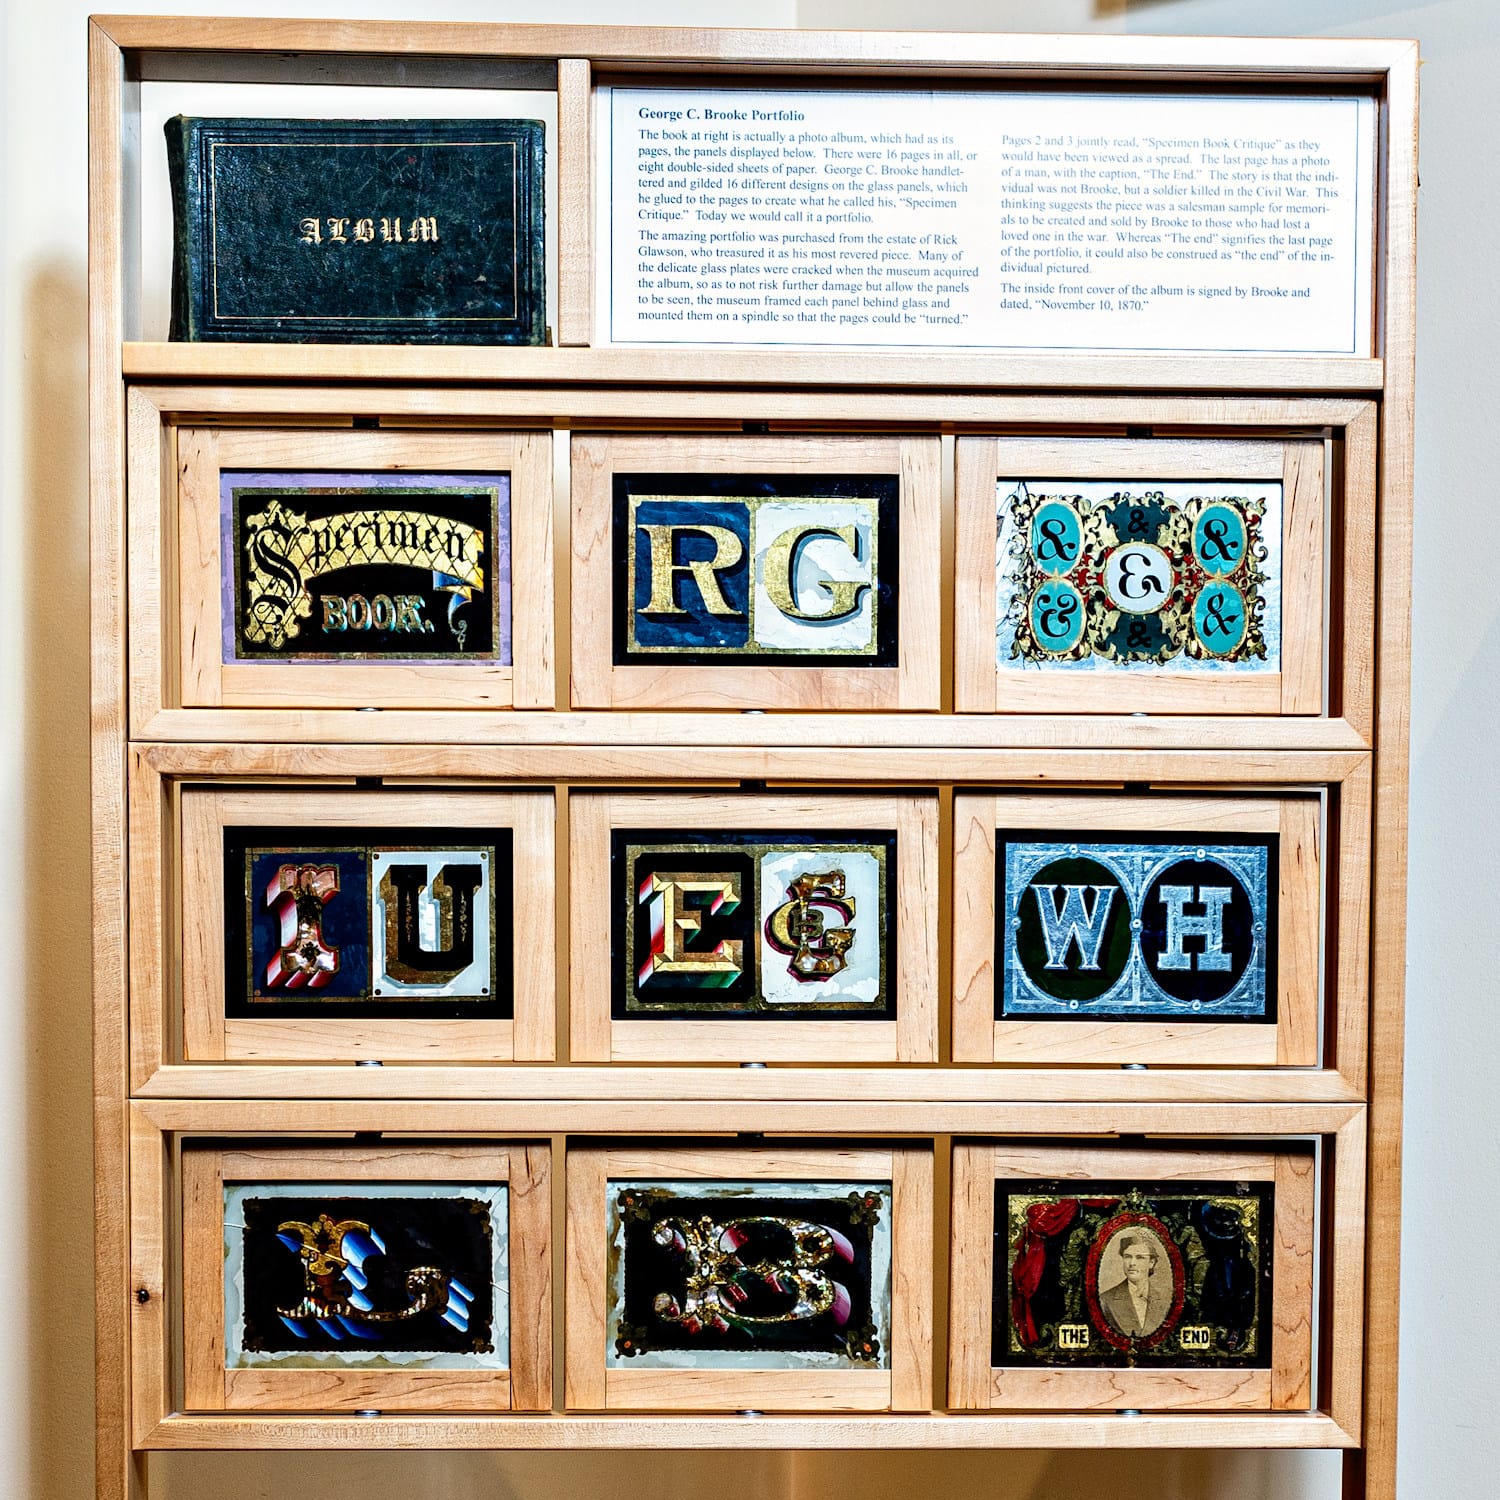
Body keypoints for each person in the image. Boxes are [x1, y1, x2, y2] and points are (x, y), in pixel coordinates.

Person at [1097, 1230, 1172, 1338]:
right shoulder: (1106, 1300)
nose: (1132, 1263)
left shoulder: (1165, 1301)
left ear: (1151, 1262)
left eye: (1139, 1257)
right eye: (1127, 1257)